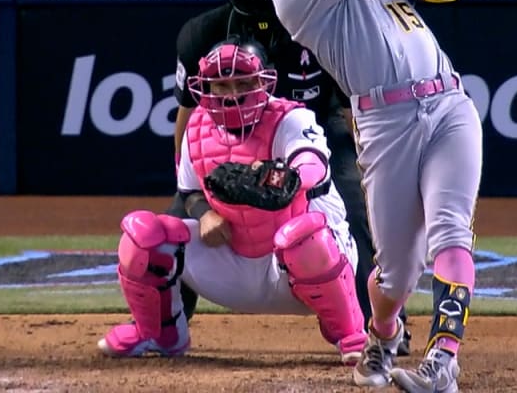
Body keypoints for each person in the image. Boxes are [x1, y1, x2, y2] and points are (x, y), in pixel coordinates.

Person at [232, 0, 486, 392]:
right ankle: (382, 333)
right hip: (385, 125)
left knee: (450, 232)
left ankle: (443, 360)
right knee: (395, 273)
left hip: (448, 105)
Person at [167, 0, 412, 356]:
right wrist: (190, 190)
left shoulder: (324, 26)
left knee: (355, 209)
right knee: (175, 221)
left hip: (311, 129)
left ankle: (376, 327)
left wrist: (366, 169)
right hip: (231, 137)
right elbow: (187, 116)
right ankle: (164, 324)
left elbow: (355, 105)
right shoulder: (204, 33)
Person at [98, 40, 367, 367]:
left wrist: (269, 177)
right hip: (235, 259)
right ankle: (159, 333)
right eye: (222, 84)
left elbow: (311, 167)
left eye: (242, 83)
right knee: (142, 237)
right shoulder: (196, 127)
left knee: (304, 236)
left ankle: (350, 333)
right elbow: (189, 191)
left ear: (263, 82)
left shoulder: (291, 119)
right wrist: (204, 213)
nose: (231, 93)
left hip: (297, 268)